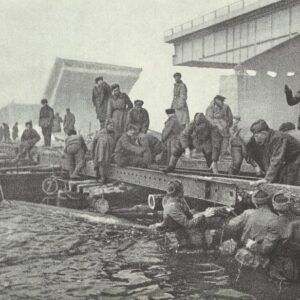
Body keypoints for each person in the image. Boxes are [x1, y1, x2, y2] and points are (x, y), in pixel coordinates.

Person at [150, 179, 215, 249]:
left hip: (179, 228)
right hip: (175, 234)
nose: (183, 191)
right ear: (179, 192)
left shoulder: (177, 201)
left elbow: (189, 215)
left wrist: (204, 212)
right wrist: (204, 216)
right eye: (182, 189)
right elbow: (187, 224)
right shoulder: (172, 207)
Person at [255, 191, 300, 281]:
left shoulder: (275, 223)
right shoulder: (297, 219)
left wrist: (254, 245)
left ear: (275, 206)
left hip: (285, 269)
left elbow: (265, 249)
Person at [248, 119, 300, 187]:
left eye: (256, 135)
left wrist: (267, 179)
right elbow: (267, 158)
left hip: (296, 161)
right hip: (290, 161)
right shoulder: (269, 139)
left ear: (264, 133)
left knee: (291, 184)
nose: (256, 138)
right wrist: (267, 176)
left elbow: (277, 159)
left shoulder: (278, 138)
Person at [206, 95, 233, 174]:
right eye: (220, 100)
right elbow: (208, 118)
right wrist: (215, 125)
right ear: (215, 100)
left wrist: (226, 124)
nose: (221, 102)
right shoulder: (210, 108)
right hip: (214, 130)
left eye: (222, 101)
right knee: (216, 146)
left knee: (224, 147)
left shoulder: (226, 107)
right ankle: (214, 165)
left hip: (224, 129)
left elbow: (230, 118)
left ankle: (217, 165)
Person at [91, 119, 116, 183]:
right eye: (110, 126)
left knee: (106, 164)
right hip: (101, 151)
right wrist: (93, 153)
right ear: (106, 125)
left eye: (113, 126)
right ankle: (102, 178)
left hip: (108, 152)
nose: (112, 127)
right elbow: (94, 142)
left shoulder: (113, 134)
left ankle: (104, 177)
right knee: (101, 163)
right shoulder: (101, 132)